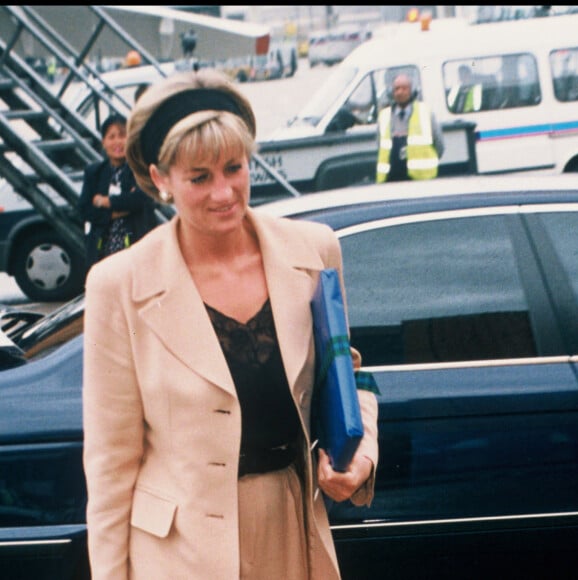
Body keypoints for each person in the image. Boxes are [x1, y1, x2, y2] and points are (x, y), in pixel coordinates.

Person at [82, 68, 379, 580]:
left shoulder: (313, 252)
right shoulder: (118, 284)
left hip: (292, 530)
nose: (224, 193)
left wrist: (361, 457)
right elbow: (110, 465)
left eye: (234, 168)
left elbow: (346, 378)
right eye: (200, 177)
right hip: (179, 553)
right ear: (160, 179)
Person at [78, 113, 158, 272]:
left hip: (138, 246)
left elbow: (141, 199)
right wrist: (113, 214)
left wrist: (105, 202)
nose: (117, 142)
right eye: (111, 137)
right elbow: (84, 209)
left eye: (122, 135)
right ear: (103, 142)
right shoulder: (94, 172)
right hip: (104, 250)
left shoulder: (141, 169)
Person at [376, 73, 445, 183]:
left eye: (404, 88)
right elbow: (380, 147)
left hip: (420, 180)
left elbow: (439, 146)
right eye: (397, 88)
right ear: (392, 92)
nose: (400, 92)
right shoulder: (384, 116)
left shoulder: (425, 112)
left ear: (412, 91)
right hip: (391, 179)